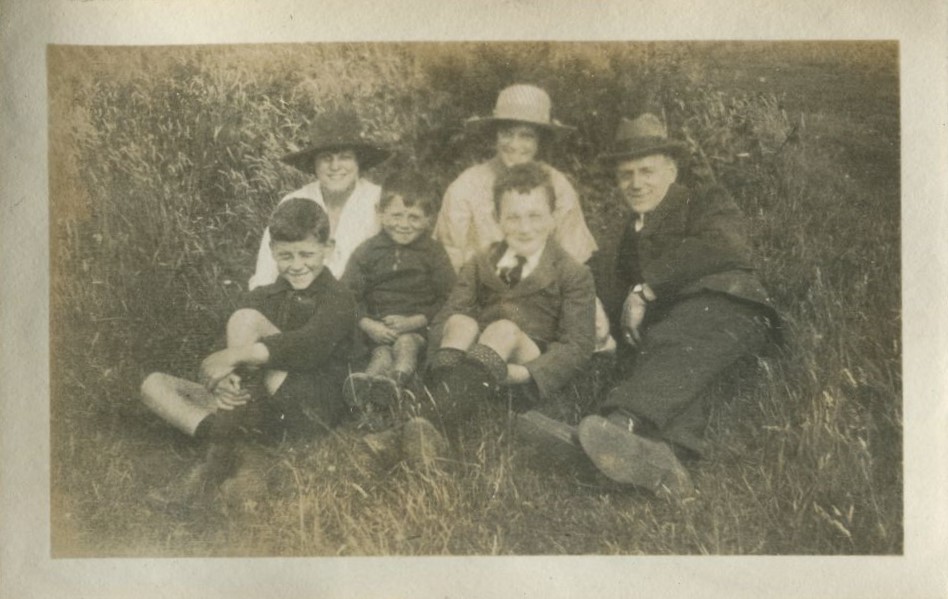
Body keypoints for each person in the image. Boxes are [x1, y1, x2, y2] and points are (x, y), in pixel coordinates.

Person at [519, 113, 779, 498]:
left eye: (647, 171)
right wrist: (588, 313)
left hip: (731, 307)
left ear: (671, 170)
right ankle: (662, 461)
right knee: (672, 351)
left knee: (679, 336)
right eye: (626, 174)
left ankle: (615, 426)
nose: (636, 183)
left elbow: (728, 247)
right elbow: (598, 283)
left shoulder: (703, 200)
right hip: (677, 335)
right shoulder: (625, 234)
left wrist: (646, 290)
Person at [141, 198, 355, 510]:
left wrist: (234, 358)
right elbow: (223, 348)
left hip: (311, 406)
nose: (297, 264)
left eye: (307, 254)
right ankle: (241, 447)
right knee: (153, 384)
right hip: (258, 408)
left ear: (329, 248)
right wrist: (222, 378)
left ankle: (212, 466)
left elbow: (311, 345)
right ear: (272, 252)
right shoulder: (265, 295)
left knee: (245, 320)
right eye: (285, 255)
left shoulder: (338, 298)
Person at [418, 162, 596, 459]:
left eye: (535, 216)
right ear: (498, 220)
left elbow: (577, 345)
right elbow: (446, 317)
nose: (525, 228)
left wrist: (526, 373)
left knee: (502, 329)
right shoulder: (481, 262)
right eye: (513, 217)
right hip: (479, 365)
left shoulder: (571, 272)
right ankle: (443, 413)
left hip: (525, 368)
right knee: (460, 321)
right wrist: (441, 356)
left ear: (553, 219)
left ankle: (430, 422)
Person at [432, 84, 614, 352]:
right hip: (482, 300)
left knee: (598, 332)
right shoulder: (465, 187)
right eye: (507, 133)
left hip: (546, 302)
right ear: (495, 135)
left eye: (526, 136)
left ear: (540, 140)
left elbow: (576, 256)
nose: (515, 145)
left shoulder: (556, 184)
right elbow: (450, 259)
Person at [340, 169, 456, 412]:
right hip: (376, 330)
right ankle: (367, 387)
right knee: (381, 354)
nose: (404, 225)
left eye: (414, 217)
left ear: (428, 220)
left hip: (417, 329)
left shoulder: (433, 253)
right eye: (396, 216)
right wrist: (368, 324)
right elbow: (347, 294)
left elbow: (449, 296)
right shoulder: (368, 251)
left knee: (405, 344)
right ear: (380, 214)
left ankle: (396, 382)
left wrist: (416, 320)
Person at [248, 108, 390, 289]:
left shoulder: (379, 200)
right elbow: (266, 272)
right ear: (314, 164)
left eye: (345, 157)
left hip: (362, 305)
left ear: (358, 162)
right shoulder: (295, 201)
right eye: (326, 158)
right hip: (300, 302)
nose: (335, 166)